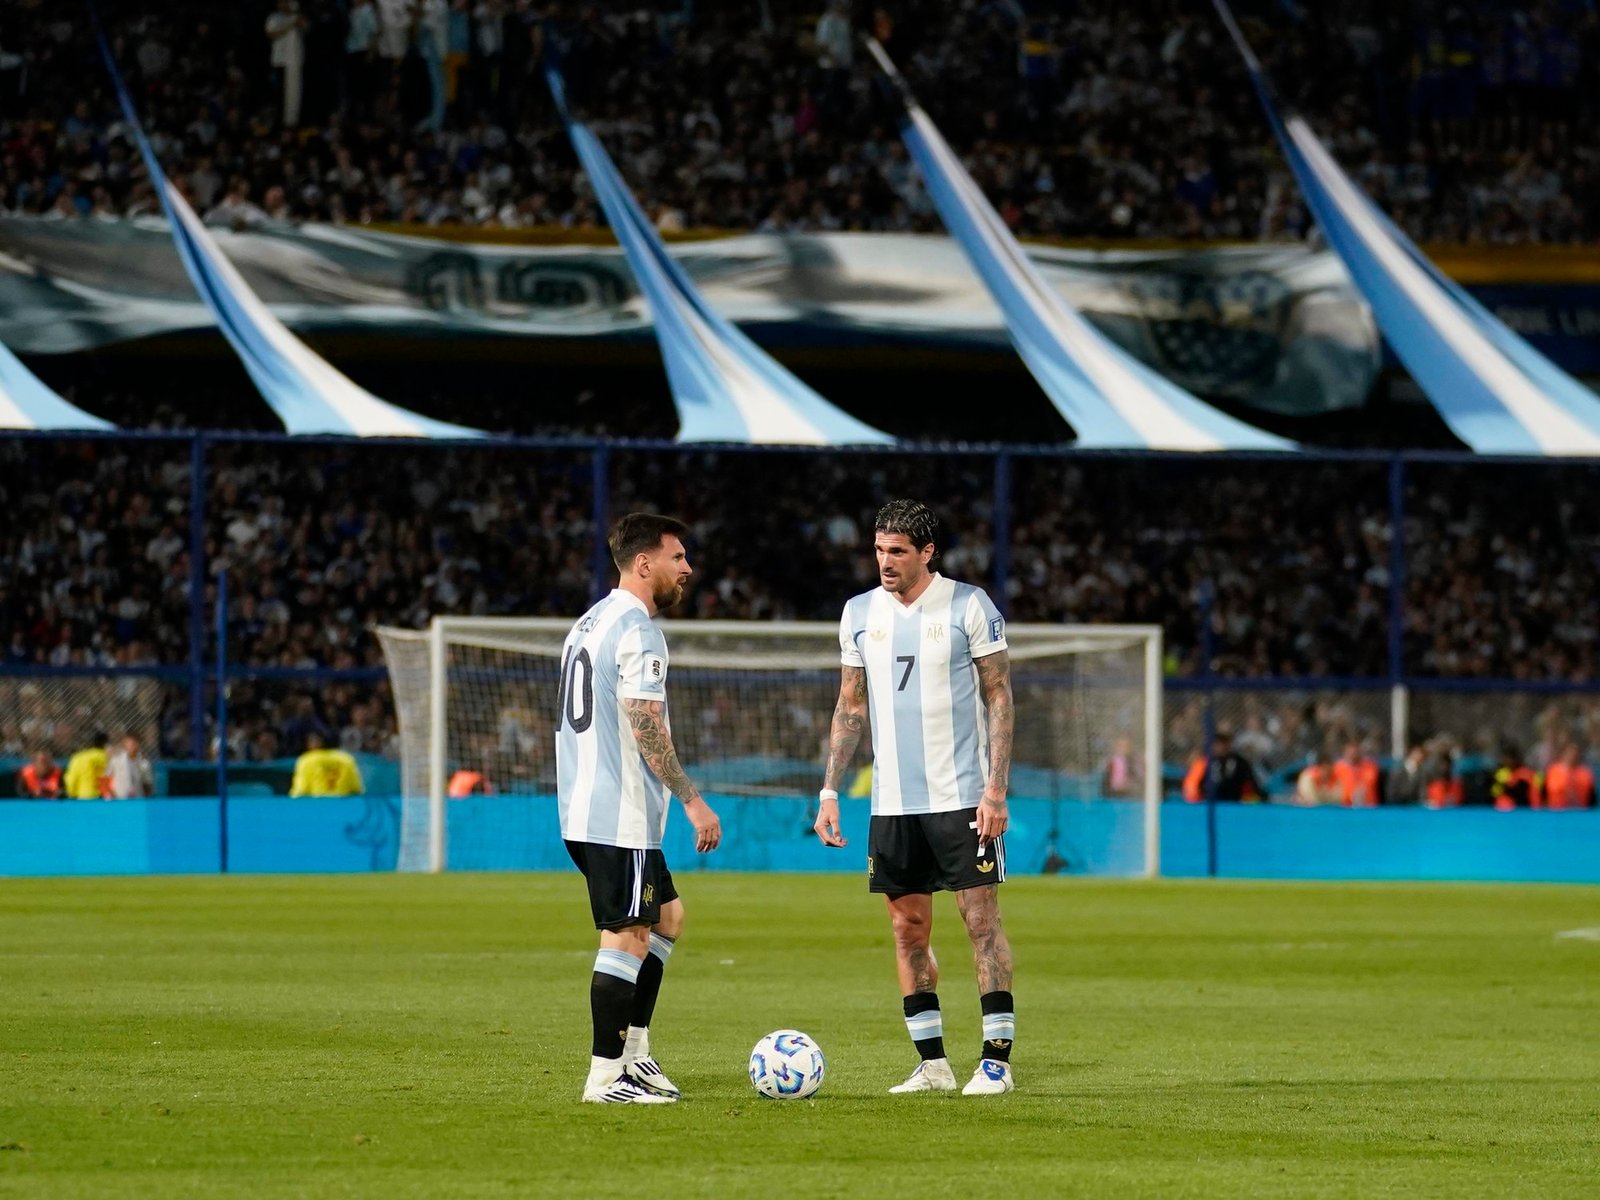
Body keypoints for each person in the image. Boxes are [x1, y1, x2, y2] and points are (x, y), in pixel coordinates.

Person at [814, 499, 1017, 1097]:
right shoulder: (857, 613)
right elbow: (851, 705)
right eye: (879, 550)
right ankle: (932, 1064)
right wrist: (829, 790)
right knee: (907, 930)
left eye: (898, 551)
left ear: (927, 553)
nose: (885, 562)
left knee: (981, 924)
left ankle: (996, 1062)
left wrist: (996, 789)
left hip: (961, 798)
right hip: (892, 802)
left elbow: (999, 696)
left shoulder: (968, 606)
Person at [557, 513, 722, 1105]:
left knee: (667, 918)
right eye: (678, 557)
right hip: (617, 811)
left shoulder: (590, 621)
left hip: (590, 807)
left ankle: (635, 1054)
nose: (688, 568)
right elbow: (645, 722)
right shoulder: (639, 629)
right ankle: (606, 1076)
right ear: (645, 563)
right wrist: (693, 800)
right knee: (627, 933)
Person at [1181, 731, 1262, 803]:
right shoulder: (1205, 762)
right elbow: (1195, 784)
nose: (1221, 747)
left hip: (1235, 801)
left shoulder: (1240, 762)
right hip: (1211, 801)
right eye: (1218, 744)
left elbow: (1250, 782)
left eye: (1224, 743)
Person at [288, 731, 364, 797]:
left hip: (316, 809)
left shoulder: (305, 760)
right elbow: (357, 790)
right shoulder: (347, 759)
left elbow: (299, 792)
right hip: (343, 809)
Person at [1543, 743, 1595, 810]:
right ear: (1563, 754)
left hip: (1580, 813)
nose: (1572, 755)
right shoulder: (1552, 771)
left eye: (1575, 753)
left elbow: (1592, 798)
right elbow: (1543, 794)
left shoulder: (1586, 773)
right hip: (1556, 813)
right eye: (1569, 753)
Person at [1332, 740, 1381, 807]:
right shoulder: (1338, 768)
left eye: (1355, 752)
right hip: (1345, 806)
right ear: (1345, 753)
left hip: (1368, 805)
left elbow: (1369, 782)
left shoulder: (1370, 766)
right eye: (1350, 752)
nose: (1353, 755)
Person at [63, 732, 111, 800]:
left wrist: (71, 794)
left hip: (84, 796)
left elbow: (71, 780)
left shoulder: (78, 758)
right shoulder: (108, 758)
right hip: (103, 797)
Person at [106, 734, 155, 799]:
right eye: (130, 744)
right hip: (119, 800)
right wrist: (110, 797)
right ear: (124, 745)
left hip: (137, 800)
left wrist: (147, 799)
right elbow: (106, 778)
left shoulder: (144, 763)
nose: (132, 746)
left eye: (135, 743)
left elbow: (147, 783)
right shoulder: (116, 761)